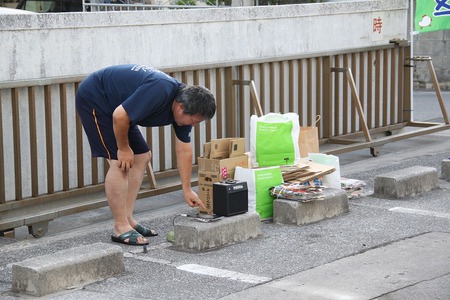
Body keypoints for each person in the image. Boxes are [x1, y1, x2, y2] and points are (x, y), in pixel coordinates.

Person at [75, 64, 216, 246]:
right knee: (120, 161)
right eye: (194, 121)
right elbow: (119, 116)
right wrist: (124, 149)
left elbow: (184, 149)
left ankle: (127, 218)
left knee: (141, 155)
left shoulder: (185, 103)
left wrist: (187, 189)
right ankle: (120, 227)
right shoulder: (160, 90)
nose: (193, 125)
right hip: (97, 99)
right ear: (180, 108)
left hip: (120, 109)